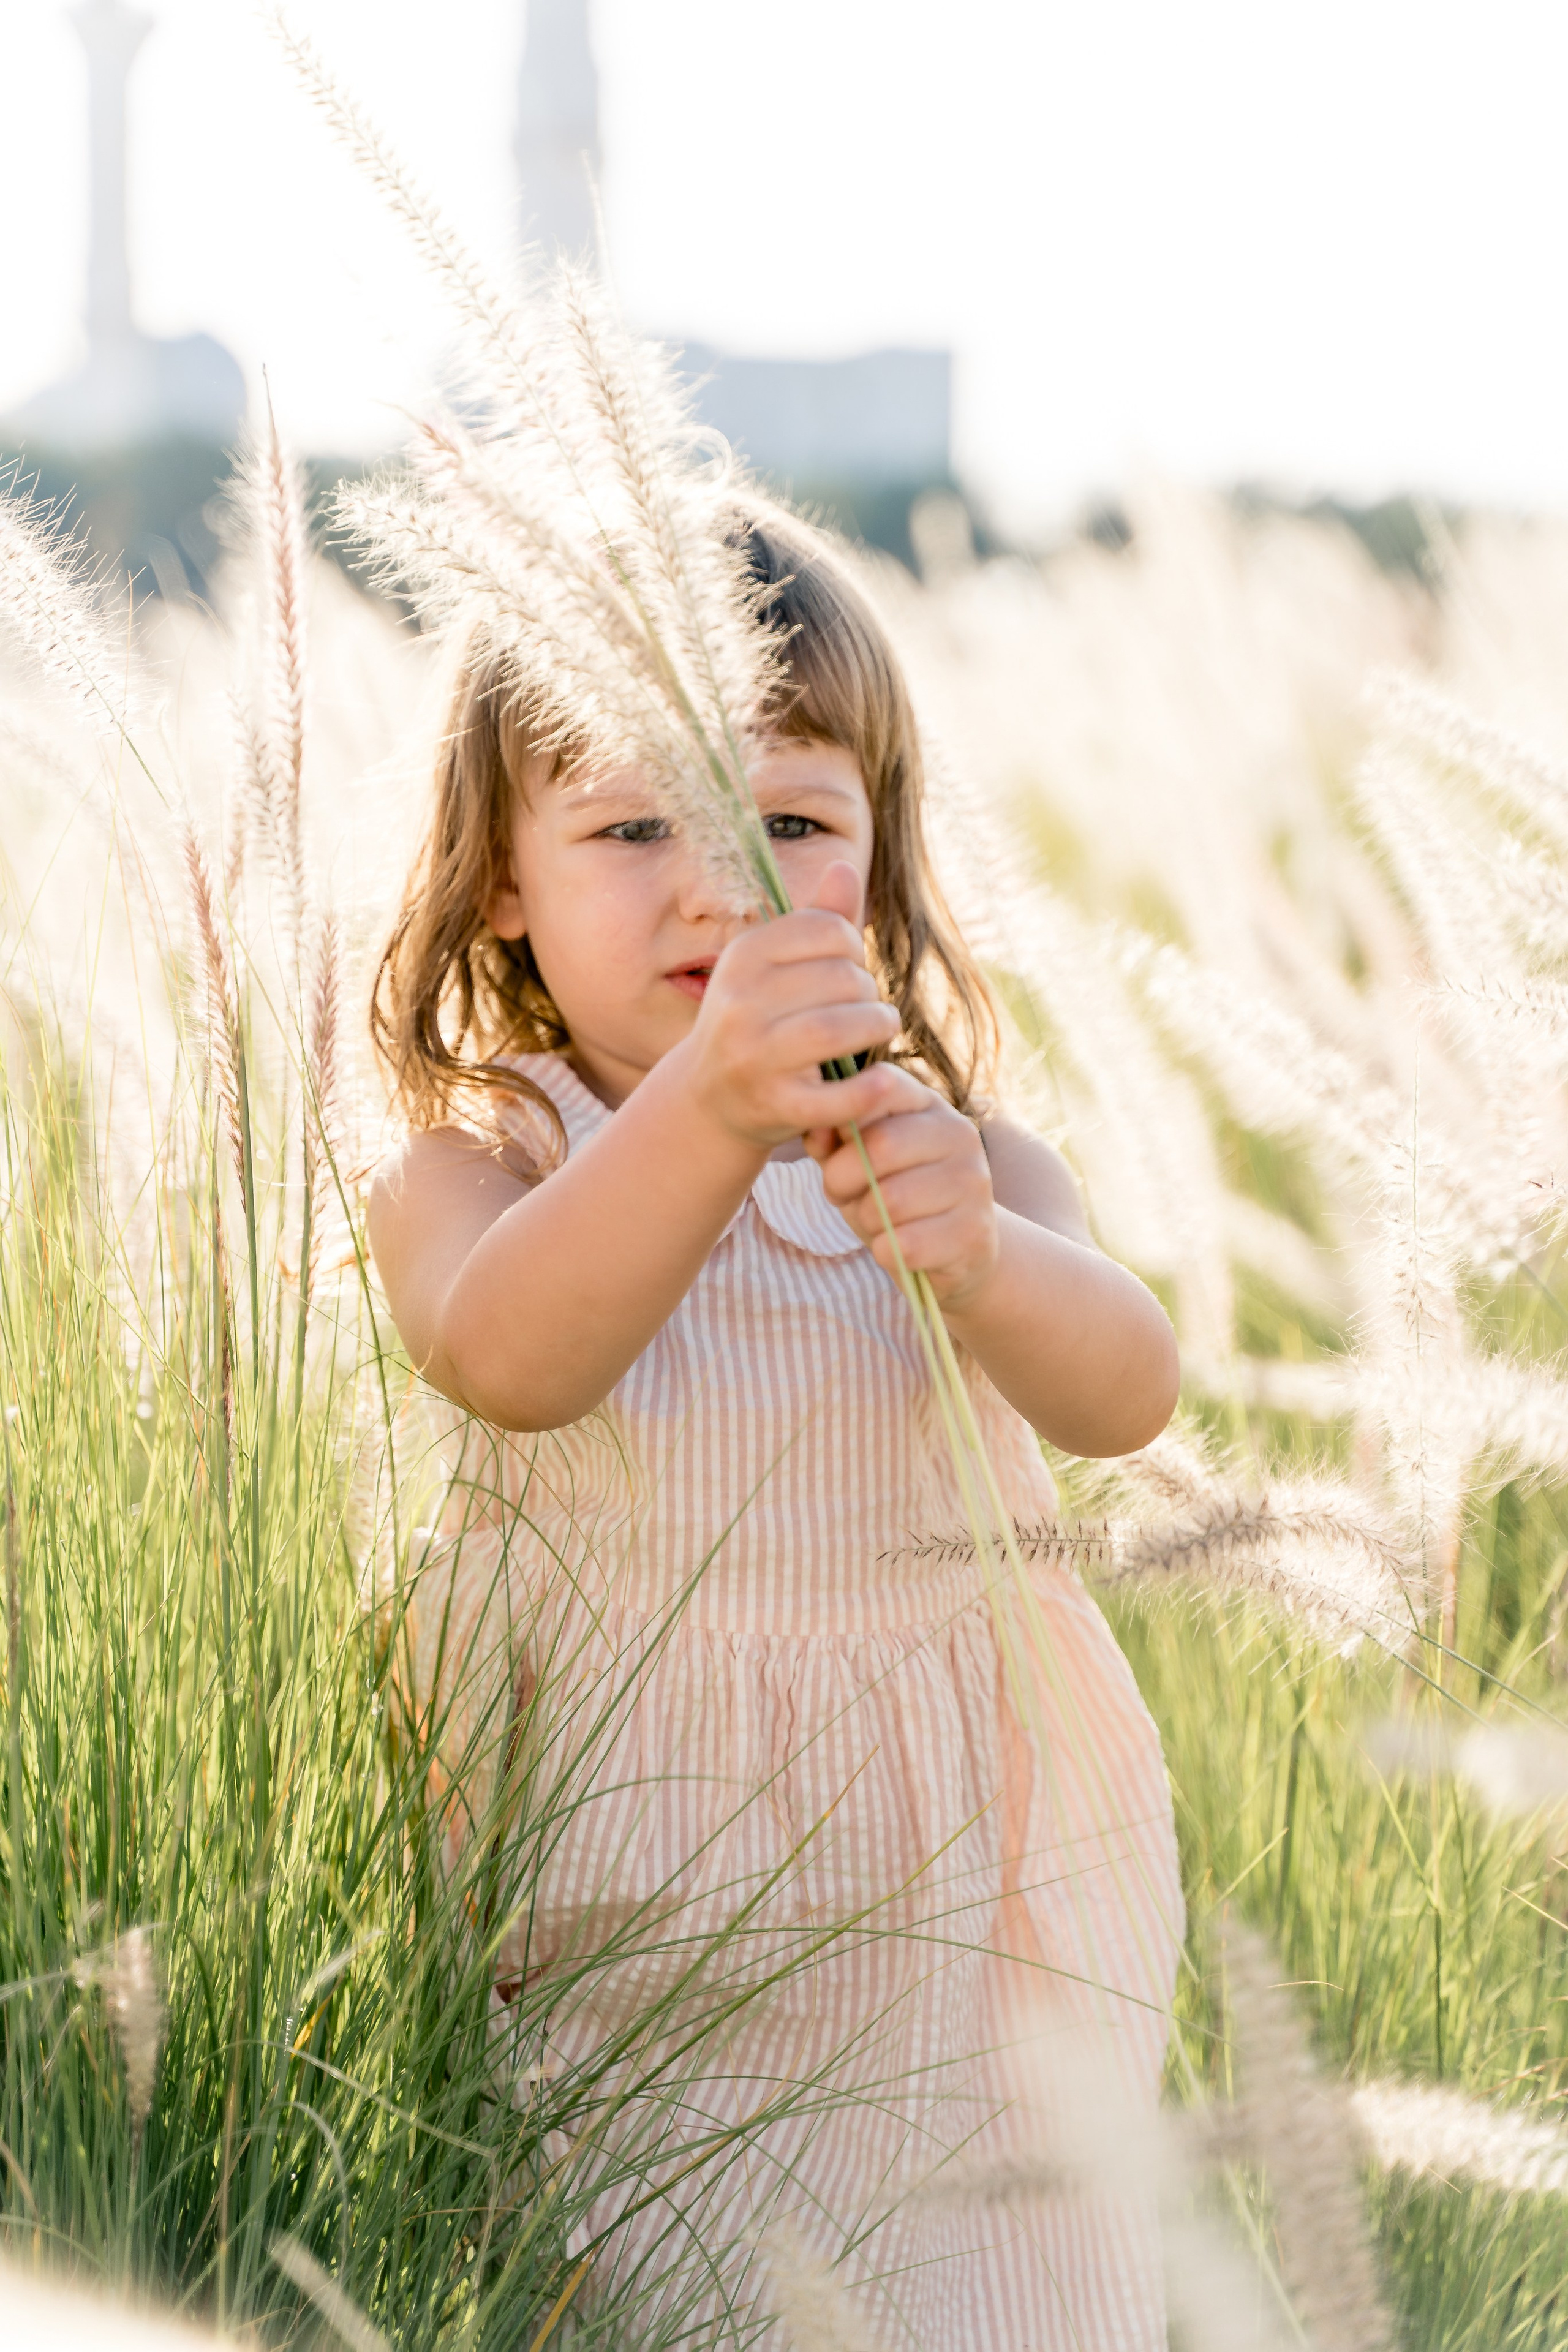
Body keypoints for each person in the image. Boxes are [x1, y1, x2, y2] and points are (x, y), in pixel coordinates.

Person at [368, 499, 1185, 2348]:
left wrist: (983, 1265)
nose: (721, 886)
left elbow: (1130, 1393)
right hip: (638, 1915)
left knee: (1014, 2296)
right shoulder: (485, 1161)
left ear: (881, 869)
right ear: (502, 875)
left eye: (791, 826)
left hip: (973, 1909)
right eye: (636, 825)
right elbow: (512, 1354)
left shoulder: (957, 1158)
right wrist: (716, 1108)